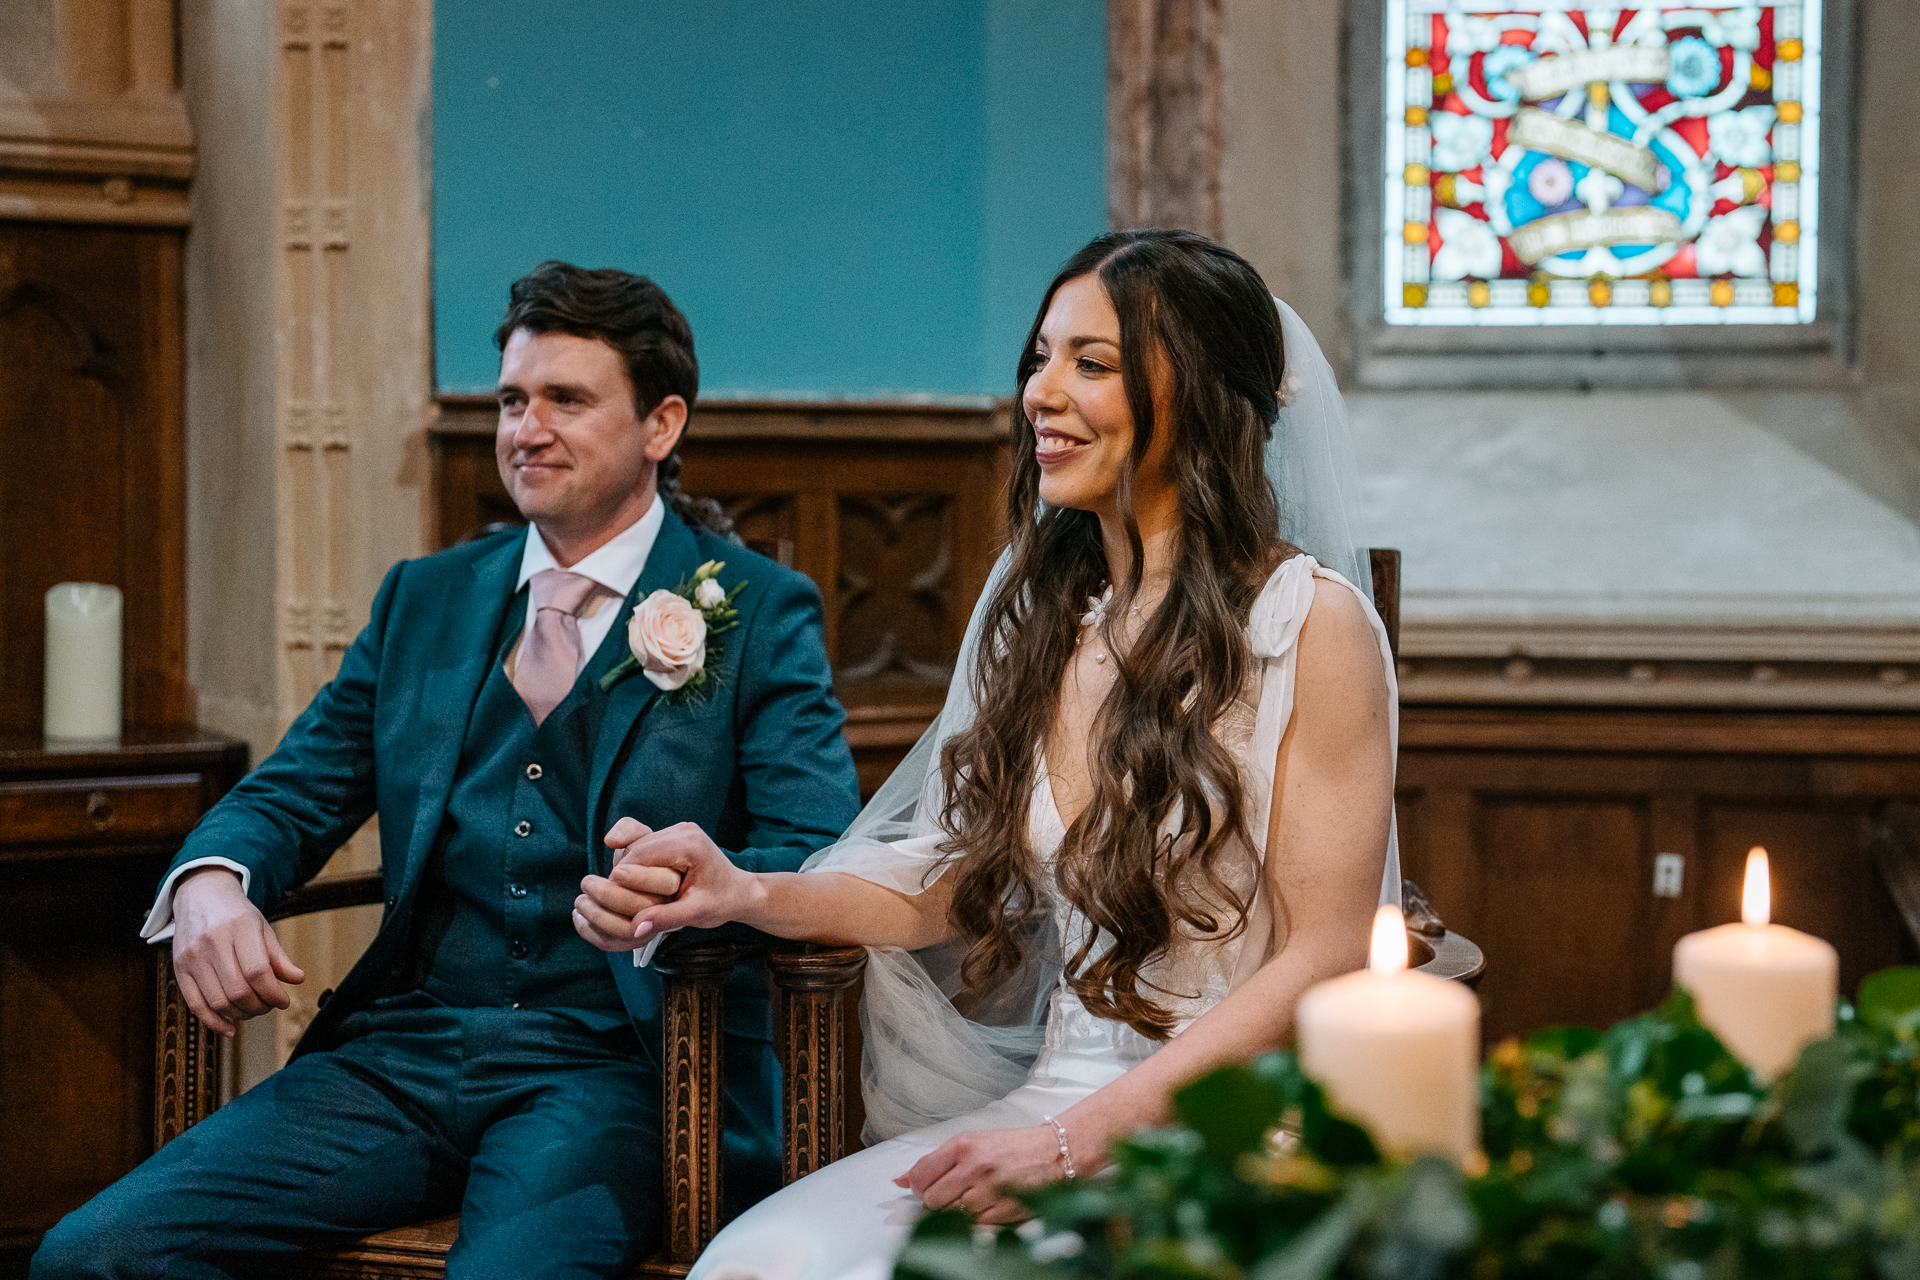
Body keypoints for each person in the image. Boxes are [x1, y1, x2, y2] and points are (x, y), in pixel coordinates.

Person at [575, 229, 1401, 1280]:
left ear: (1198, 394)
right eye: (1040, 357)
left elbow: (1324, 951)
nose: (1040, 393)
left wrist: (1077, 1141)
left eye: (1090, 364)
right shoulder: (1048, 610)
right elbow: (960, 879)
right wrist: (745, 890)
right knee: (762, 1261)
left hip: (1225, 1126)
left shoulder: (1308, 627)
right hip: (1048, 1095)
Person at [31, 262, 861, 1280]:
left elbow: (814, 847)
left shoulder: (756, 608)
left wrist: (706, 890)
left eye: (567, 399)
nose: (526, 428)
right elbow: (296, 787)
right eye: (512, 400)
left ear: (662, 423)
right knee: (94, 1255)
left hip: (626, 1067)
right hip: (402, 1053)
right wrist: (215, 877)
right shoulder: (425, 597)